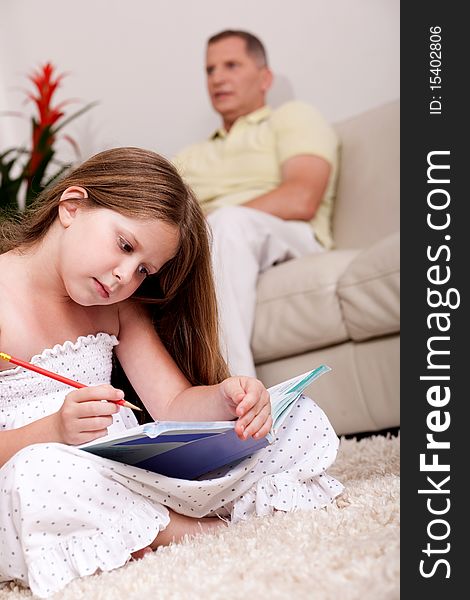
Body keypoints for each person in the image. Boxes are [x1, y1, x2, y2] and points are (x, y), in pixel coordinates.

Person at [0, 147, 342, 598]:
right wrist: (54, 428)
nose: (125, 276)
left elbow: (174, 406)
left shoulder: (117, 307)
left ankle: (143, 529)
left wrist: (229, 398)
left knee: (292, 418)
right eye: (124, 245)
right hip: (37, 474)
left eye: (144, 269)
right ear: (72, 206)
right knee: (40, 475)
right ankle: (194, 531)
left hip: (125, 473)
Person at [173, 30, 339, 377]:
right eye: (210, 70)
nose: (217, 78)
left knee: (229, 224)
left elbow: (302, 197)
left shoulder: (292, 117)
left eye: (231, 65)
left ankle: (238, 394)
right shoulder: (190, 155)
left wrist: (214, 222)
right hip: (216, 241)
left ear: (265, 78)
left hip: (289, 237)